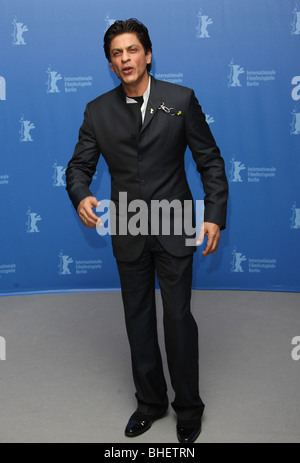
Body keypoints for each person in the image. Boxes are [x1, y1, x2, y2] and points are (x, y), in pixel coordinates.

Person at [66, 19, 228, 443]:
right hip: (127, 225)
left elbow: (210, 161)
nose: (125, 59)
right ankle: (150, 403)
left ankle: (188, 408)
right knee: (138, 320)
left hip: (174, 222)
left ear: (148, 54)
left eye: (132, 50)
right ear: (110, 62)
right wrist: (81, 193)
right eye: (117, 53)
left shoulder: (180, 99)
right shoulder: (98, 110)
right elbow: (79, 167)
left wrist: (213, 214)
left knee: (176, 318)